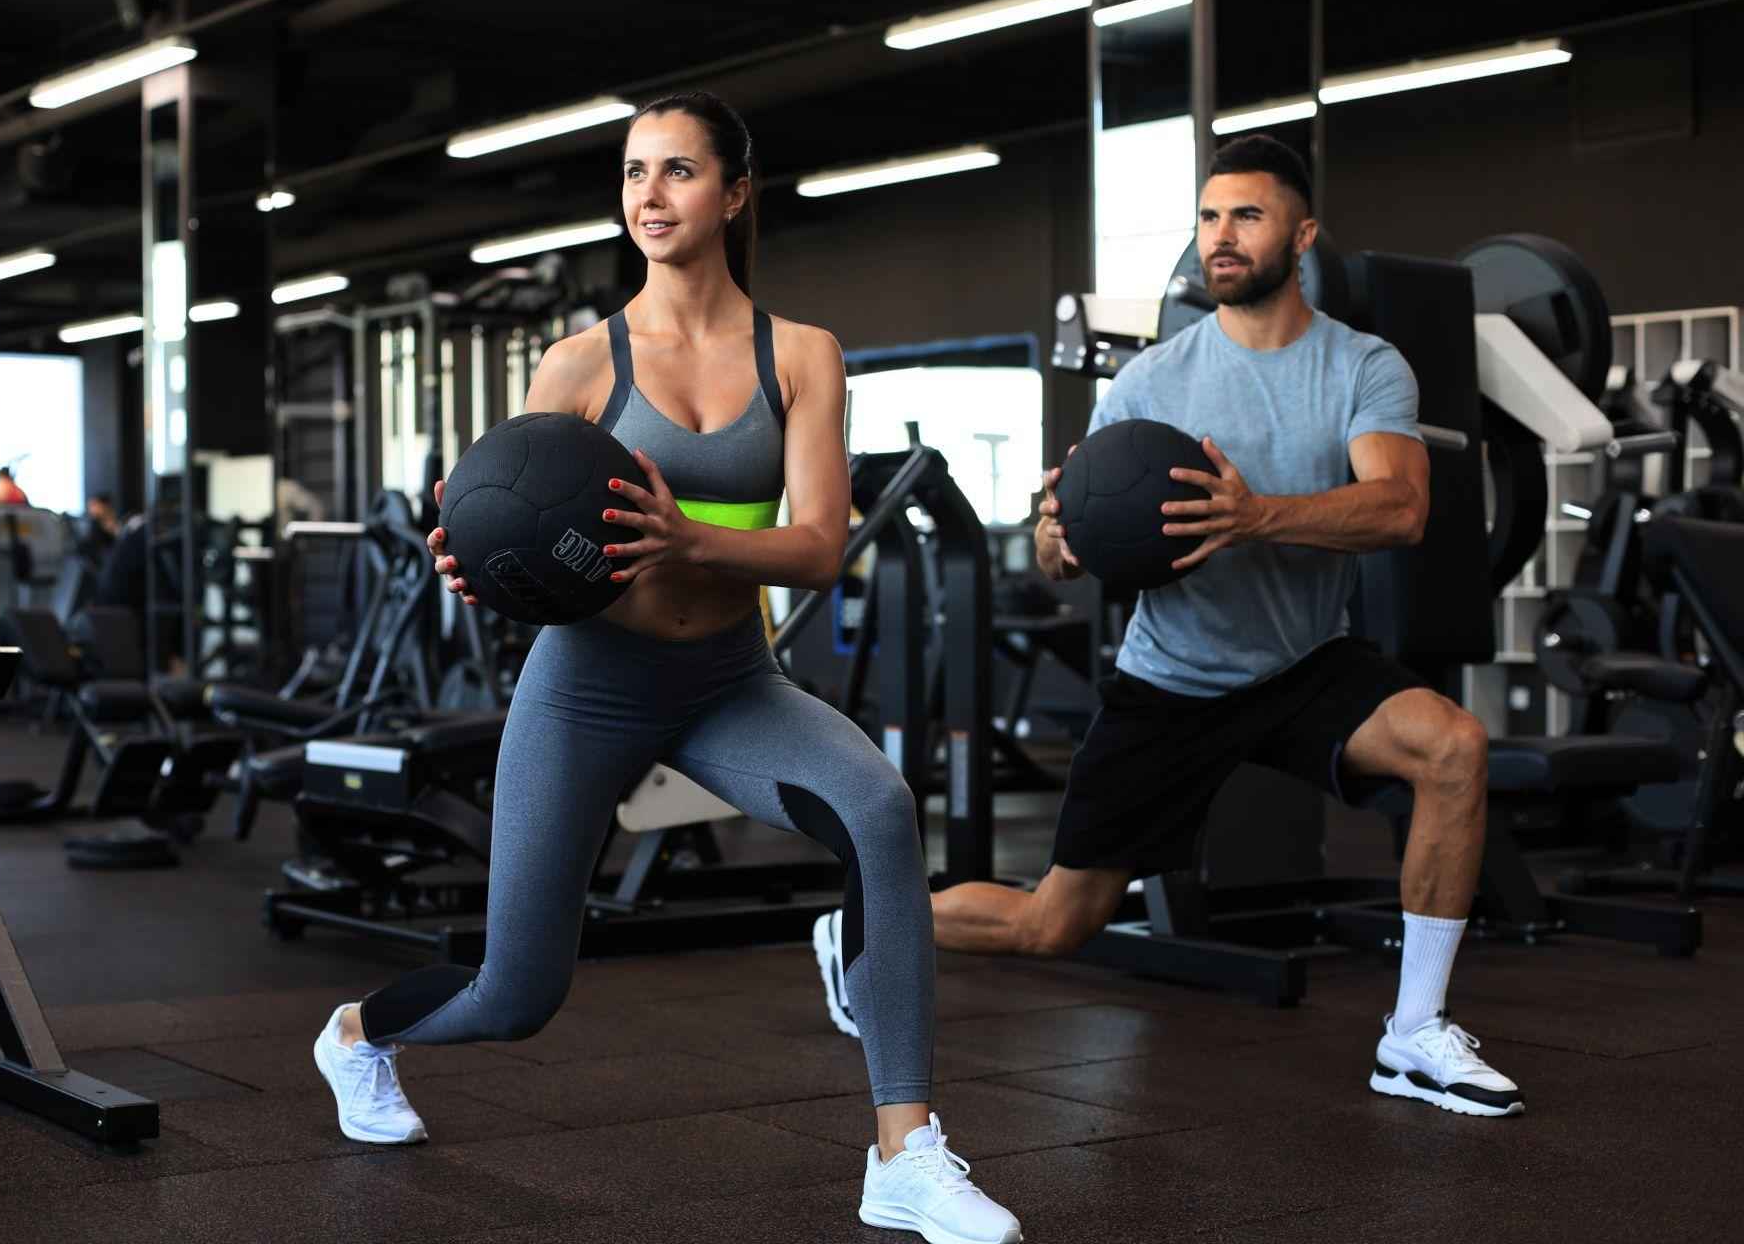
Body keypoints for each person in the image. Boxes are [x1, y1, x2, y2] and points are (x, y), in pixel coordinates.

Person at [311, 91, 1022, 1244]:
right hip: (586, 683)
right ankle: (357, 1032)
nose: (651, 194)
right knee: (515, 994)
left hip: (730, 683)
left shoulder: (801, 355)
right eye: (636, 172)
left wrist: (691, 536)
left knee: (883, 808)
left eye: (680, 171)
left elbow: (819, 546)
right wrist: (473, 564)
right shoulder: (580, 363)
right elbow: (506, 528)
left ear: (735, 192)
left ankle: (903, 1151)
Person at [816, 134, 1523, 1120]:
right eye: (1208, 218)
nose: (1220, 239)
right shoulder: (1152, 381)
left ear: (1303, 233)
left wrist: (1256, 515)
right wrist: (1064, 529)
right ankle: (860, 928)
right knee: (1054, 924)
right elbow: (1065, 550)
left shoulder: (1364, 364)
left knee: (1452, 746)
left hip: (1302, 662)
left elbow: (1399, 507)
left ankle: (1412, 1033)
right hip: (1173, 678)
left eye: (1248, 215)